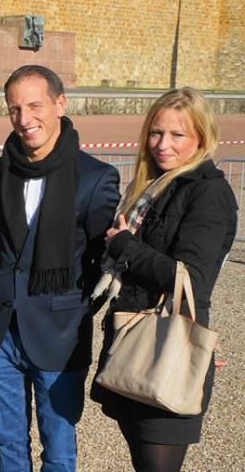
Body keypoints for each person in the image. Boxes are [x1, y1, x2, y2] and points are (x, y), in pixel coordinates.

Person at [0, 65, 120, 471]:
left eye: (35, 105)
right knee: (8, 446)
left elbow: (102, 258)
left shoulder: (95, 178)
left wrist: (73, 307)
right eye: (14, 109)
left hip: (59, 335)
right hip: (1, 333)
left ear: (60, 103)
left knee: (58, 451)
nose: (24, 119)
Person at [91, 87, 236, 472]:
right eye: (156, 133)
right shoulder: (154, 187)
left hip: (168, 349)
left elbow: (192, 279)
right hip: (134, 343)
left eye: (177, 135)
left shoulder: (208, 193)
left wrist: (124, 245)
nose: (162, 144)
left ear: (201, 139)